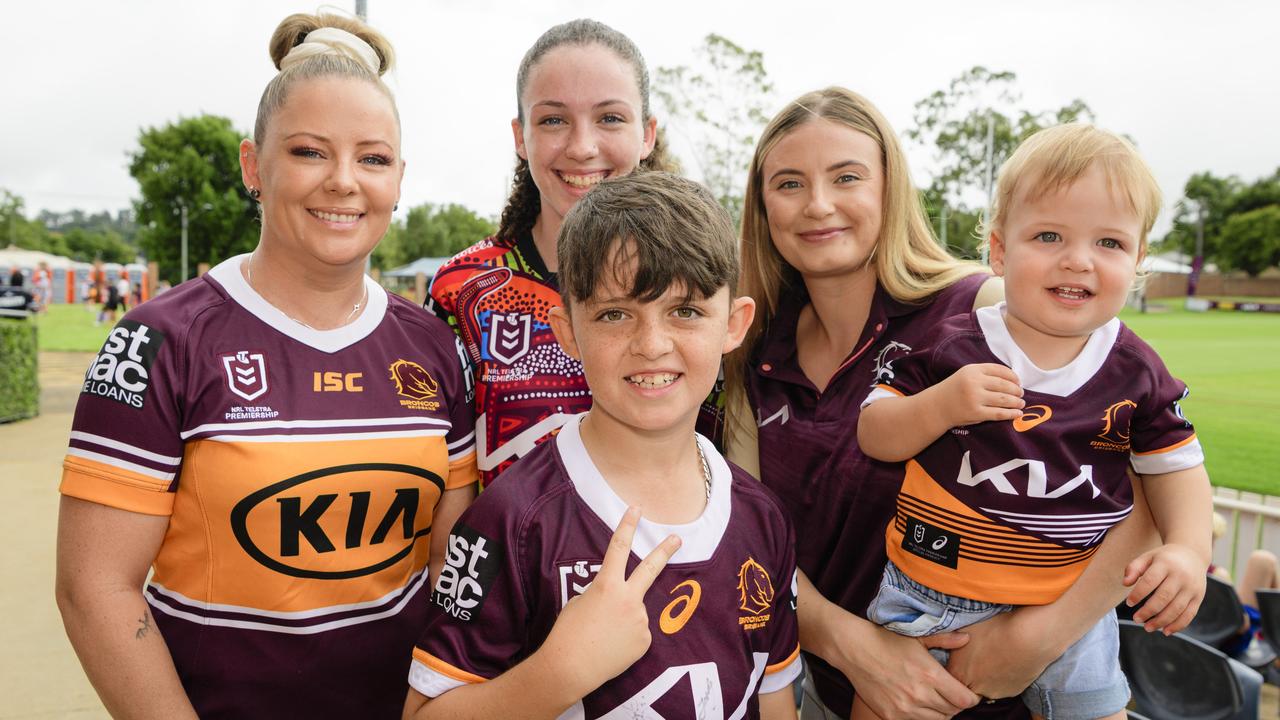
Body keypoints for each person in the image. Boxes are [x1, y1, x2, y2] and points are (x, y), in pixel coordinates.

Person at [55, 13, 478, 719]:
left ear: (399, 179)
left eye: (373, 159)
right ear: (255, 165)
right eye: (311, 152)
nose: (344, 182)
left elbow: (448, 569)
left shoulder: (434, 348)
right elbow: (94, 588)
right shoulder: (160, 341)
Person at [718, 88, 1162, 720]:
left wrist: (1033, 640)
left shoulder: (985, 311)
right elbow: (750, 540)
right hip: (831, 693)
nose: (818, 204)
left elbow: (1150, 486)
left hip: (1002, 696)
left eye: (846, 177)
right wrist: (856, 650)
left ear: (889, 189)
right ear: (762, 207)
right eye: (789, 183)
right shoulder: (751, 351)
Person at [404, 173, 800, 719]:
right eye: (615, 314)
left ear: (733, 324)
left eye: (685, 311)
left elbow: (775, 702)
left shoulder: (763, 518)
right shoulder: (510, 521)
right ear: (567, 331)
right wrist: (560, 672)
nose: (652, 344)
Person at [855, 123, 1212, 720]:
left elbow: (1177, 469)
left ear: (1139, 259)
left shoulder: (1138, 372)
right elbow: (876, 434)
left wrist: (1186, 548)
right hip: (929, 595)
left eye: (1110, 243)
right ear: (999, 249)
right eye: (1049, 235)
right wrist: (940, 405)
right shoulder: (952, 348)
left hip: (1069, 607)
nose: (1078, 260)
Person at [426, 18, 675, 486]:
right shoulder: (460, 292)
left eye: (610, 118)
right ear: (521, 137)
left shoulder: (695, 284)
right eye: (554, 120)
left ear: (647, 134)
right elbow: (445, 483)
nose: (582, 147)